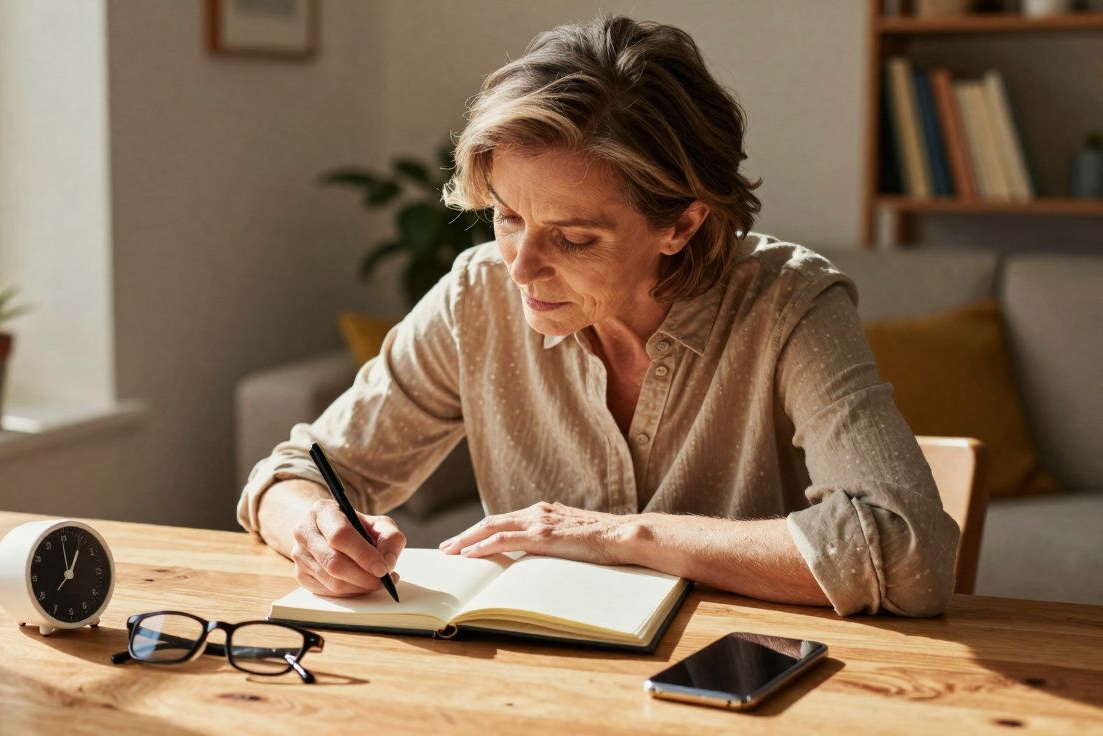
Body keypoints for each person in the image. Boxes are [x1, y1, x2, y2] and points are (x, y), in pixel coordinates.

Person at [237, 15, 959, 617]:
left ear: (681, 224)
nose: (519, 267)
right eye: (508, 217)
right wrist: (313, 527)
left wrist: (620, 537)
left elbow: (905, 548)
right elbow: (295, 471)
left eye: (574, 238)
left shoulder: (789, 305)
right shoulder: (477, 296)